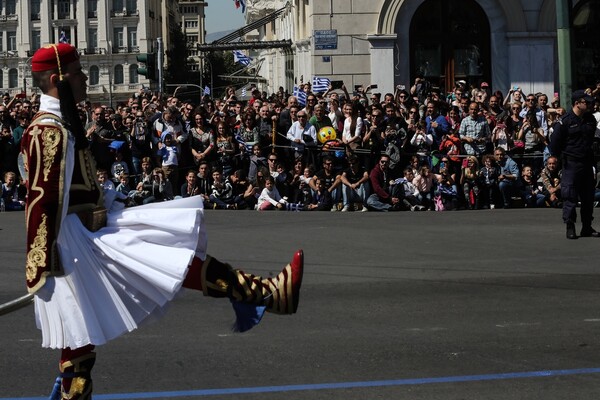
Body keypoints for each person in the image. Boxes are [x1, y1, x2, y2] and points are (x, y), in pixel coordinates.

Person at [20, 43, 304, 399]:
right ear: (54, 80)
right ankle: (263, 293)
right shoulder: (48, 130)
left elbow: (73, 186)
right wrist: (40, 264)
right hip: (72, 242)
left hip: (84, 230)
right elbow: (43, 199)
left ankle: (262, 293)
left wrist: (106, 200)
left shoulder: (61, 124)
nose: (83, 79)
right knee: (152, 271)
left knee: (83, 340)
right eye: (77, 73)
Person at [550, 89, 600, 239]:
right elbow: (554, 146)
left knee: (588, 197)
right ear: (577, 104)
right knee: (570, 196)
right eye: (586, 102)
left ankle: (587, 227)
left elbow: (594, 139)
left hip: (587, 163)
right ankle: (570, 226)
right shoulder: (565, 122)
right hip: (571, 163)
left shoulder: (590, 119)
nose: (590, 104)